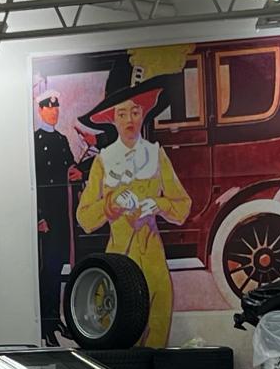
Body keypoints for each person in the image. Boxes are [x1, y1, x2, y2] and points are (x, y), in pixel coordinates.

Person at [76, 79, 191, 349]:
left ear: (144, 114)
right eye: (122, 113)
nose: (129, 119)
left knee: (158, 327)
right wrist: (111, 202)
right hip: (117, 260)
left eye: (135, 112)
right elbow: (84, 218)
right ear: (112, 119)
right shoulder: (103, 160)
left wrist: (159, 204)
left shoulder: (156, 154)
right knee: (118, 335)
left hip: (153, 259)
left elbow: (182, 205)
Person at [33, 82, 81, 344]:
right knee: (47, 271)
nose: (54, 112)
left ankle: (55, 318)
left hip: (63, 215)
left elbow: (71, 166)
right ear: (40, 111)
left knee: (59, 267)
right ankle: (46, 325)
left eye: (56, 108)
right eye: (49, 108)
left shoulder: (62, 140)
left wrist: (78, 171)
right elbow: (32, 182)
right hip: (47, 218)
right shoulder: (35, 142)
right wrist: (39, 216)